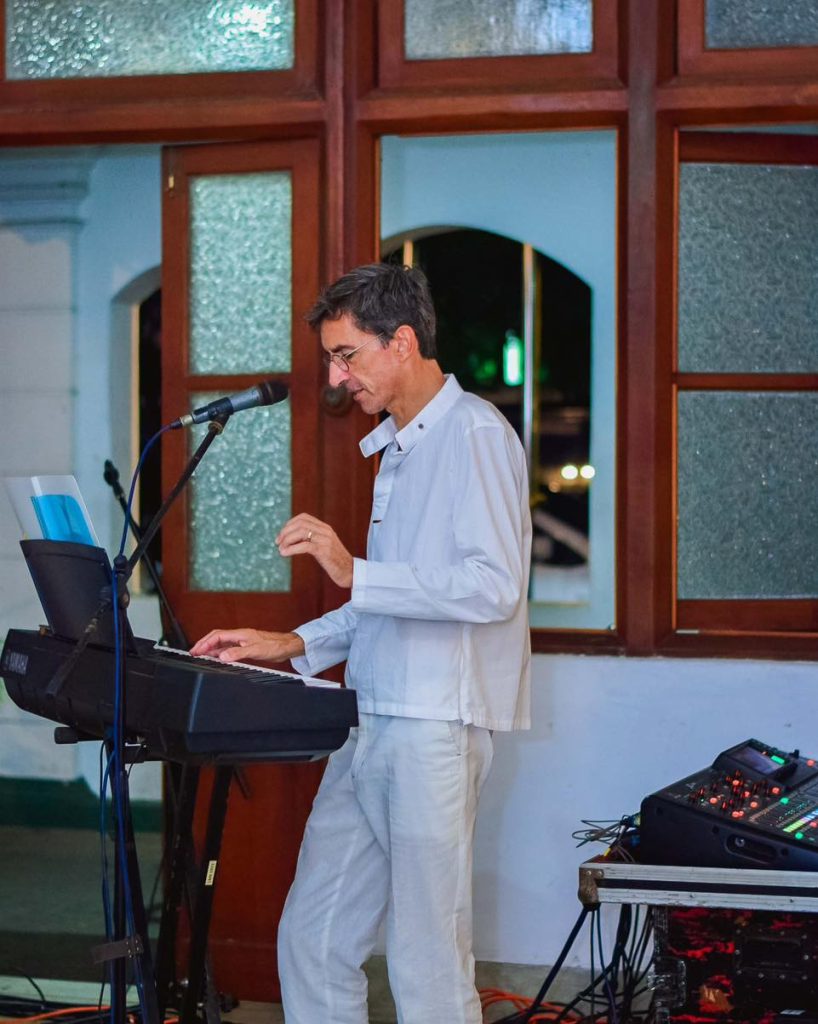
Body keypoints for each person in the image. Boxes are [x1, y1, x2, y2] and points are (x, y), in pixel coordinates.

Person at [191, 263, 532, 1024]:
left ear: (402, 341)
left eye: (346, 356)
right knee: (312, 939)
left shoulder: (474, 433)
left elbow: (492, 587)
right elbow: (388, 601)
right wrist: (287, 642)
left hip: (432, 728)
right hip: (368, 717)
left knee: (426, 959)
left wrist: (351, 569)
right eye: (330, 360)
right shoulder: (398, 445)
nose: (337, 379)